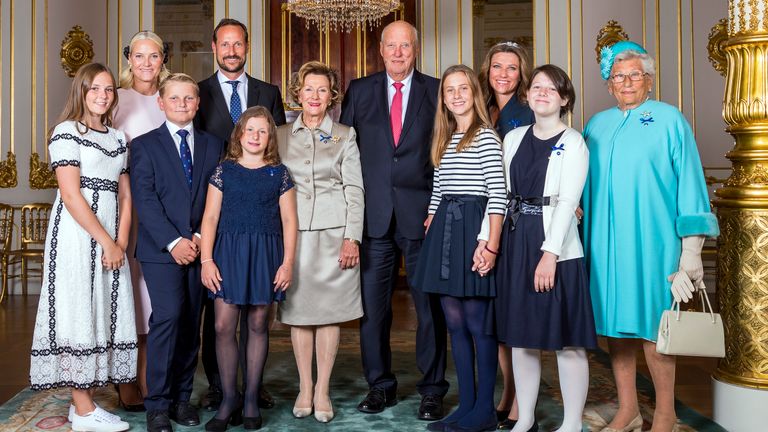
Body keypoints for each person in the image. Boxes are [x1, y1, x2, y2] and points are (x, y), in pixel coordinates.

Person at [582, 41, 719, 432]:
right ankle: (629, 410)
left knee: (657, 330)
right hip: (605, 245)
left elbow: (691, 185)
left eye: (635, 75)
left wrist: (690, 250)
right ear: (609, 84)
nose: (627, 82)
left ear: (650, 80)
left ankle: (665, 414)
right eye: (618, 76)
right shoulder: (596, 125)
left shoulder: (670, 119)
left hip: (653, 245)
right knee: (616, 328)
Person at [340, 20, 449, 420]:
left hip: (423, 218)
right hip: (373, 218)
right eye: (392, 46)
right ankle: (379, 386)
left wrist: (438, 208)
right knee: (373, 310)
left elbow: (447, 153)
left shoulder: (436, 90)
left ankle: (433, 390)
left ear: (415, 49)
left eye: (406, 45)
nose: (398, 52)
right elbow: (345, 154)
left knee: (429, 309)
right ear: (380, 50)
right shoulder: (360, 90)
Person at [481, 64, 596, 432]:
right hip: (517, 240)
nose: (542, 93)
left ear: (564, 99)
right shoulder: (513, 138)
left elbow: (566, 202)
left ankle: (572, 423)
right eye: (536, 87)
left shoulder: (574, 142)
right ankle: (525, 418)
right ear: (527, 95)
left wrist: (550, 255)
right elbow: (497, 195)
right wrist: (488, 240)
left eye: (551, 89)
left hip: (556, 246)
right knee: (521, 339)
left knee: (568, 340)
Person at [29, 62, 135, 432]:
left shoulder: (119, 138)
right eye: (95, 89)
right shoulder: (66, 133)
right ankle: (85, 409)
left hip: (111, 237)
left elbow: (125, 194)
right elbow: (71, 196)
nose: (102, 96)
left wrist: (120, 241)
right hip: (76, 236)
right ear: (81, 91)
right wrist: (106, 240)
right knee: (78, 311)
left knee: (101, 311)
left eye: (108, 89)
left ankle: (83, 407)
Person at [194, 18, 287, 410]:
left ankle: (253, 386)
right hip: (215, 211)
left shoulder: (269, 91)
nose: (232, 51)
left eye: (238, 44)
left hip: (261, 213)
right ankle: (220, 386)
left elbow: (279, 149)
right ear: (215, 47)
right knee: (218, 314)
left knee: (256, 313)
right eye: (225, 44)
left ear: (247, 47)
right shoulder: (197, 94)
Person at [413, 64, 506, 432]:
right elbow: (438, 191)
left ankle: (484, 409)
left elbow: (497, 194)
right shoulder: (445, 138)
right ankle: (466, 405)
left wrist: (491, 244)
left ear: (475, 93)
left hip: (474, 228)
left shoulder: (485, 137)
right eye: (449, 90)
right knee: (454, 324)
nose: (456, 95)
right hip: (445, 232)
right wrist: (432, 221)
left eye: (463, 88)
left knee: (478, 324)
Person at [131, 73, 224, 432]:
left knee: (190, 325)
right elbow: (145, 199)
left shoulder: (214, 144)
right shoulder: (144, 145)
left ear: (197, 104)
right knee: (167, 318)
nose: (182, 104)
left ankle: (182, 400)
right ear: (161, 103)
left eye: (189, 99)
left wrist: (200, 236)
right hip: (161, 251)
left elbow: (217, 197)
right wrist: (174, 242)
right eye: (175, 99)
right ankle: (157, 403)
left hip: (200, 247)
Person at [276, 61, 365, 424]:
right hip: (293, 236)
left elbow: (355, 190)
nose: (315, 96)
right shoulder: (279, 134)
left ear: (332, 96)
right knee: (299, 313)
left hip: (334, 235)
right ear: (298, 94)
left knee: (329, 315)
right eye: (308, 89)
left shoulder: (346, 134)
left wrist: (352, 238)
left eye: (322, 90)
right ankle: (305, 386)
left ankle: (323, 389)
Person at [200, 106, 298, 431]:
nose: (255, 136)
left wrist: (287, 263)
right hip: (227, 253)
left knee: (258, 325)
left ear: (270, 137)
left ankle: (252, 397)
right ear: (239, 134)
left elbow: (289, 222)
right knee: (223, 326)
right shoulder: (223, 171)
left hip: (266, 254)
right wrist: (206, 259)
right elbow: (210, 218)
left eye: (263, 131)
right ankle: (229, 399)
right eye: (250, 130)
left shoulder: (279, 173)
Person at [112, 30, 171, 411]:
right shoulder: (114, 99)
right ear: (128, 59)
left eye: (154, 56)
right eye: (139, 56)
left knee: (153, 295)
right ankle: (126, 379)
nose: (146, 63)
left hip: (163, 208)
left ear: (163, 59)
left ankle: (149, 375)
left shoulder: (171, 98)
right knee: (126, 290)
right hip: (123, 207)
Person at [477, 40, 534, 427]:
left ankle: (519, 400)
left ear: (521, 73)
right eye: (497, 66)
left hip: (515, 219)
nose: (503, 74)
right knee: (493, 315)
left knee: (515, 312)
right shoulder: (479, 105)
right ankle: (507, 390)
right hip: (480, 215)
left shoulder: (529, 110)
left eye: (511, 68)